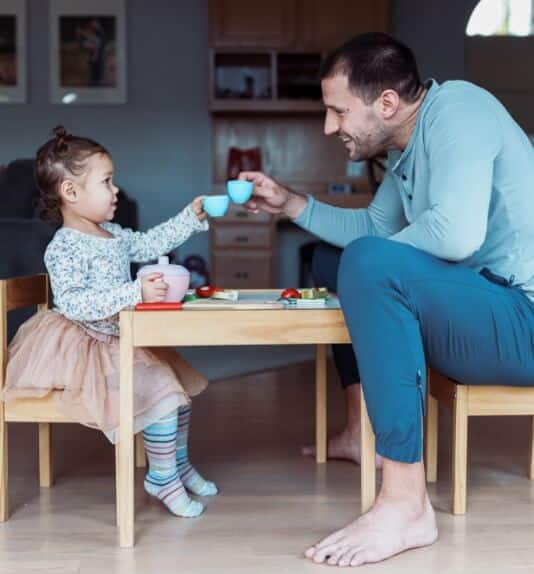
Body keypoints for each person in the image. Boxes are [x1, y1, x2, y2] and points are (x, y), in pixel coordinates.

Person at [240, 32, 534, 567]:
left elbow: (455, 235)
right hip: (485, 307)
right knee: (336, 260)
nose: (331, 127)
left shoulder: (460, 109)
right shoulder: (406, 147)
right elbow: (372, 228)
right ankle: (358, 429)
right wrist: (290, 203)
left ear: (388, 103)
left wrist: (369, 268)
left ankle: (405, 502)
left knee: (367, 264)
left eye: (338, 112)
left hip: (524, 318)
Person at [2, 126, 217, 518]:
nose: (116, 189)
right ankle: (162, 478)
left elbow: (151, 243)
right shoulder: (64, 246)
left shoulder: (113, 234)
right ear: (71, 192)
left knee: (179, 397)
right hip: (85, 346)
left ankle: (177, 465)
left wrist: (190, 217)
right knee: (163, 395)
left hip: (120, 336)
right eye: (106, 181)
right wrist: (134, 293)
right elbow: (77, 303)